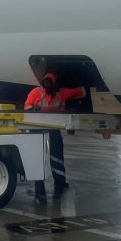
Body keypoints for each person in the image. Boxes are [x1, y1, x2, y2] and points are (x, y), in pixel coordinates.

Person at [24, 72, 86, 200]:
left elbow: (80, 92)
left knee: (55, 157)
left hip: (51, 128)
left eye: (50, 84)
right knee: (44, 157)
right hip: (39, 129)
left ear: (54, 85)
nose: (48, 87)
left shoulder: (60, 93)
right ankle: (42, 187)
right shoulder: (38, 92)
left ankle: (59, 183)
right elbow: (27, 108)